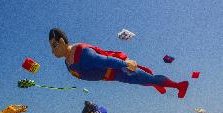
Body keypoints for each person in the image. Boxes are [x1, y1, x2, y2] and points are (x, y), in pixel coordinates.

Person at [48, 28, 189, 98]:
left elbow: (106, 61)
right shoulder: (67, 61)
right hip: (113, 76)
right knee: (145, 80)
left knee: (148, 79)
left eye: (54, 45)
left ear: (61, 42)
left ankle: (179, 85)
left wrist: (126, 63)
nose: (53, 51)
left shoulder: (82, 53)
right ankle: (154, 83)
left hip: (119, 71)